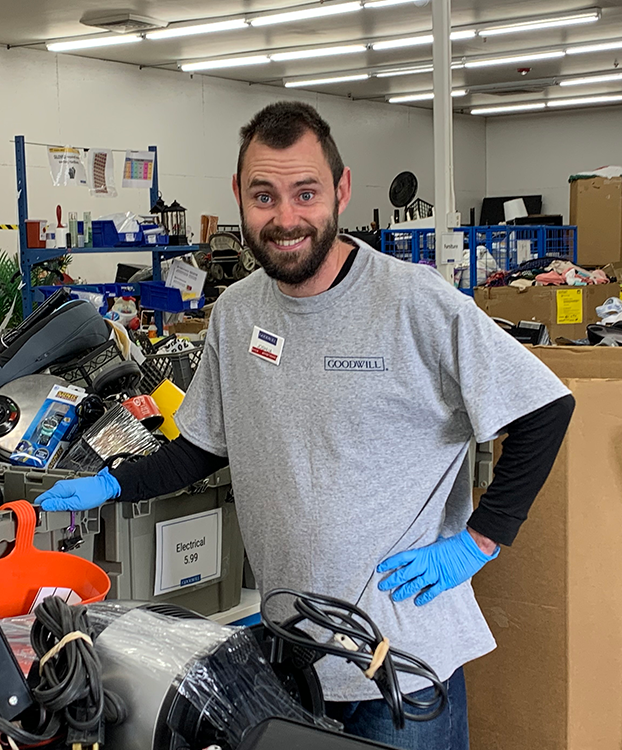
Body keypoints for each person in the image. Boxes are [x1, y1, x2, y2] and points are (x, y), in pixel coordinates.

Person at [38, 101, 574, 750]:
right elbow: (204, 446)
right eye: (264, 196)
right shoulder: (235, 315)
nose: (286, 218)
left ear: (341, 191)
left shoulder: (413, 301)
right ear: (239, 196)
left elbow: (545, 408)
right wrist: (109, 485)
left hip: (402, 663)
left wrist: (480, 542)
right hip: (291, 654)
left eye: (307, 193)